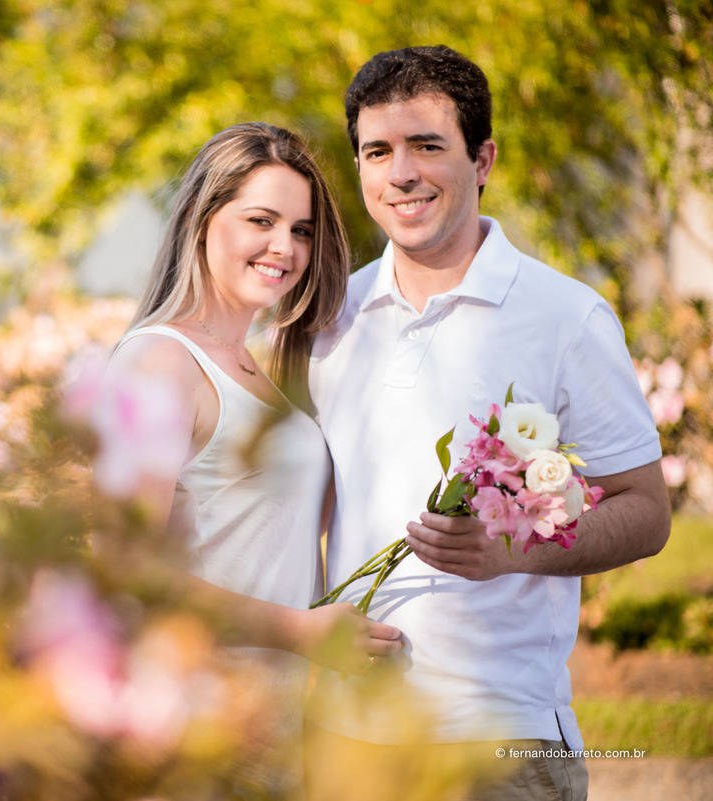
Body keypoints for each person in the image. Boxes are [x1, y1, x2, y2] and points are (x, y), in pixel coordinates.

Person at [306, 46, 671, 801]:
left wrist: (516, 549)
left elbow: (646, 510)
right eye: (378, 151)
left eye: (427, 146)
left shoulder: (566, 316)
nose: (400, 172)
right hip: (348, 741)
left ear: (484, 159)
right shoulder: (328, 317)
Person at [97, 122, 403, 798]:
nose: (284, 247)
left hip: (272, 725)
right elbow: (123, 564)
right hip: (197, 725)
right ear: (204, 220)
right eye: (260, 220)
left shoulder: (261, 368)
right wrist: (296, 630)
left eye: (300, 230)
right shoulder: (161, 362)